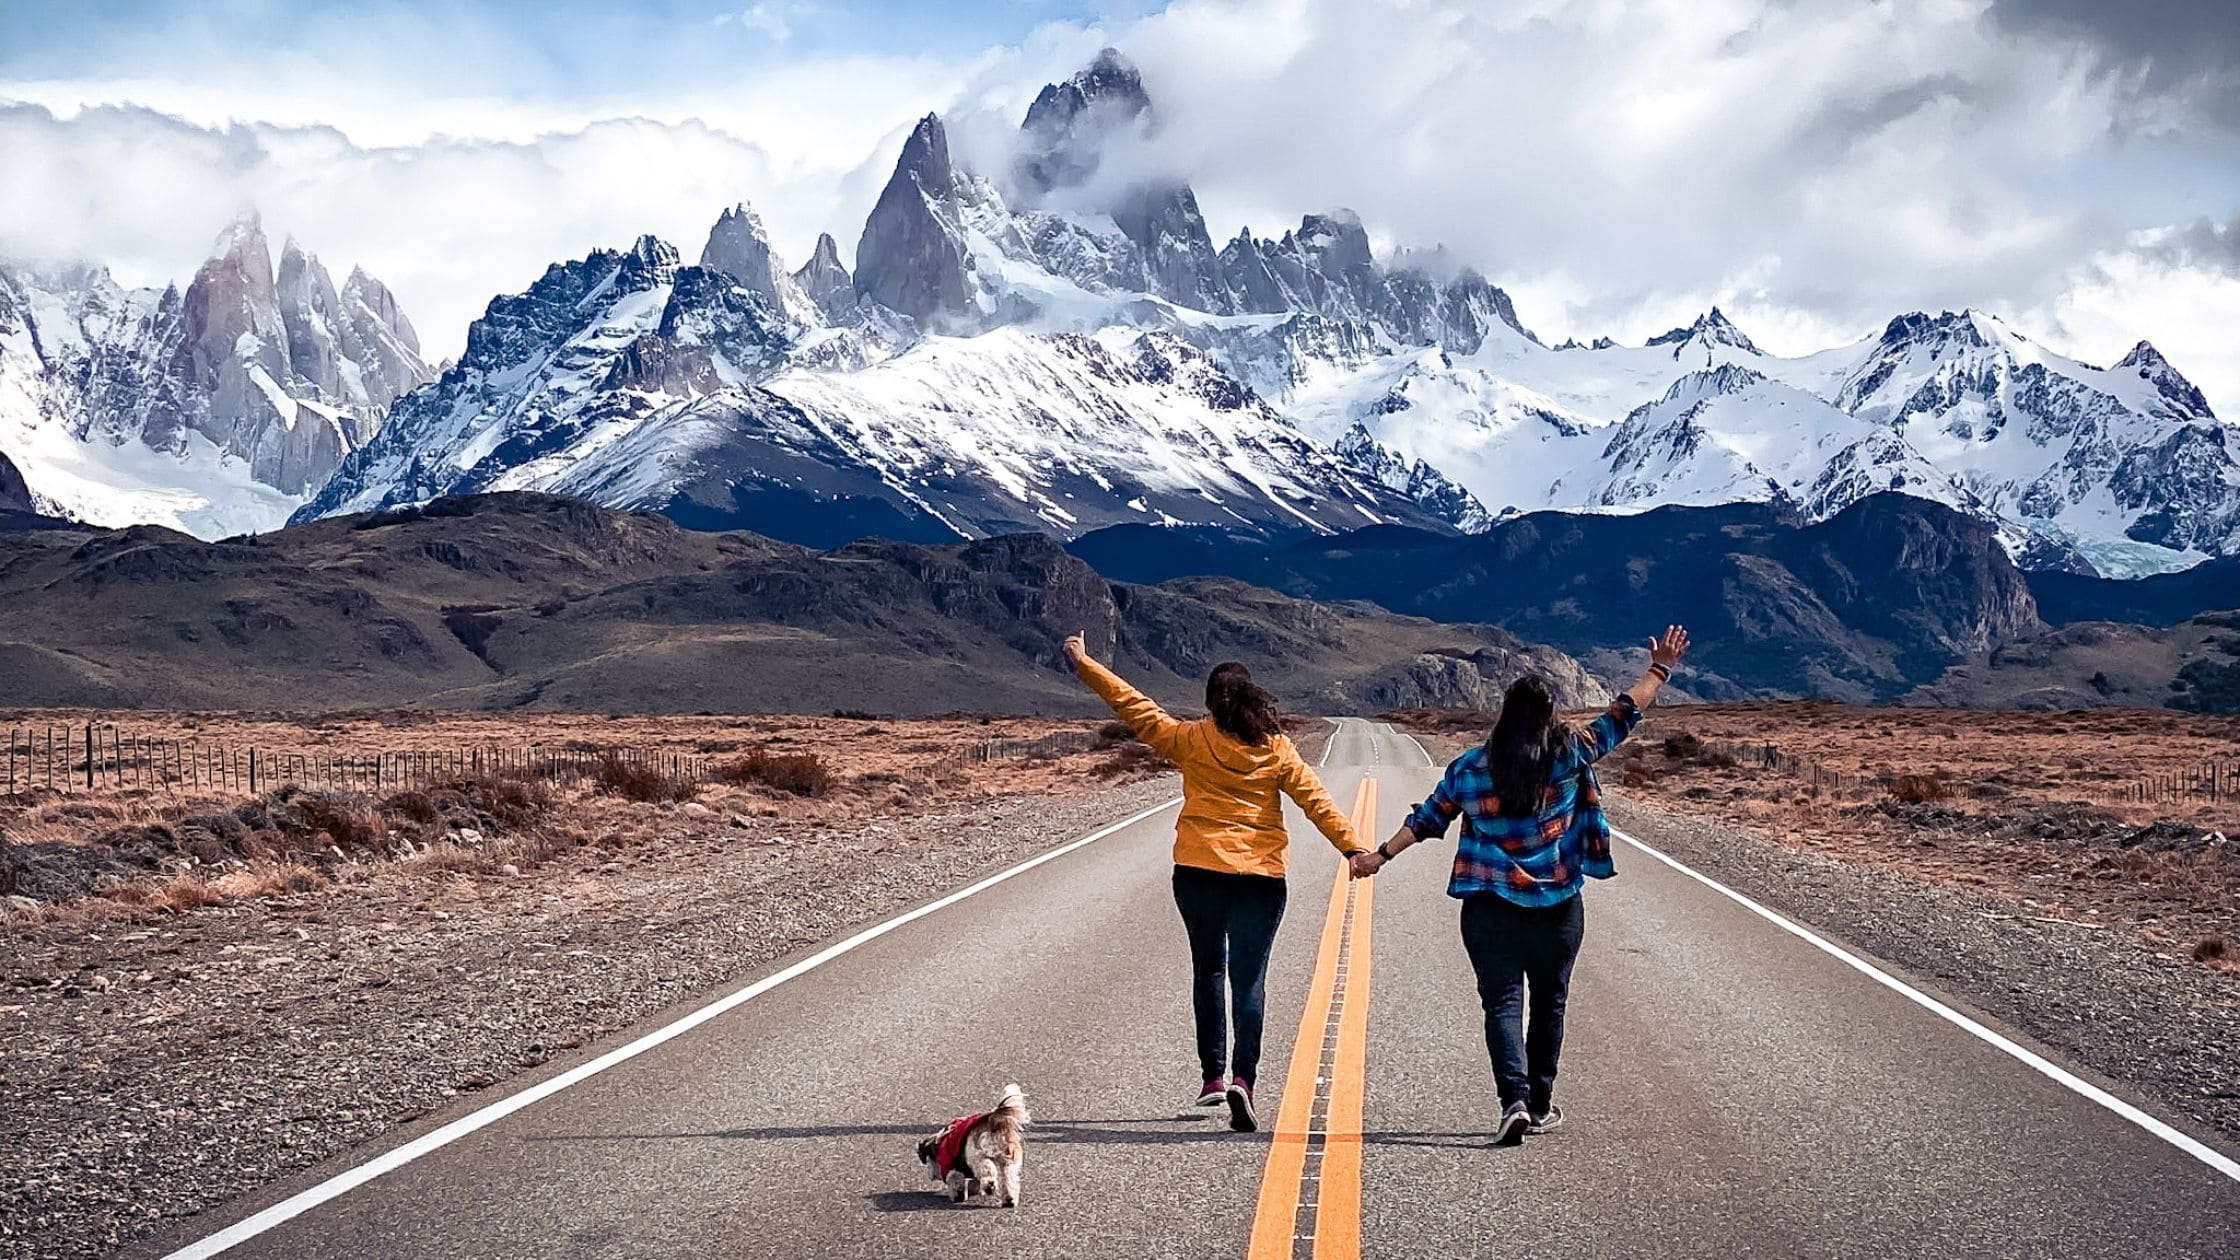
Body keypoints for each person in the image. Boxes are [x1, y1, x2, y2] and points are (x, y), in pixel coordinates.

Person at [1352, 625, 1690, 1146]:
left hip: (1488, 909)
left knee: (1502, 1002)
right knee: (1550, 1002)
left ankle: (1512, 1100)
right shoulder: (1570, 755)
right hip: (1556, 907)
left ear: (1503, 717)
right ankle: (1539, 1102)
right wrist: (1660, 668)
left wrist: (1379, 856)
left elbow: (1428, 820)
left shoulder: (1469, 768)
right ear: (1549, 719)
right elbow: (1624, 712)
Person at [1063, 631, 1367, 1132]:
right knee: (1249, 981)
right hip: (1260, 879)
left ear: (1209, 701)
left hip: (1199, 873)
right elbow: (1317, 802)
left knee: (1207, 969)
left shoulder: (1190, 740)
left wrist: (1084, 663)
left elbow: (1135, 707)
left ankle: (1212, 1077)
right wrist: (1353, 848)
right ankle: (1243, 1080)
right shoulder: (1279, 752)